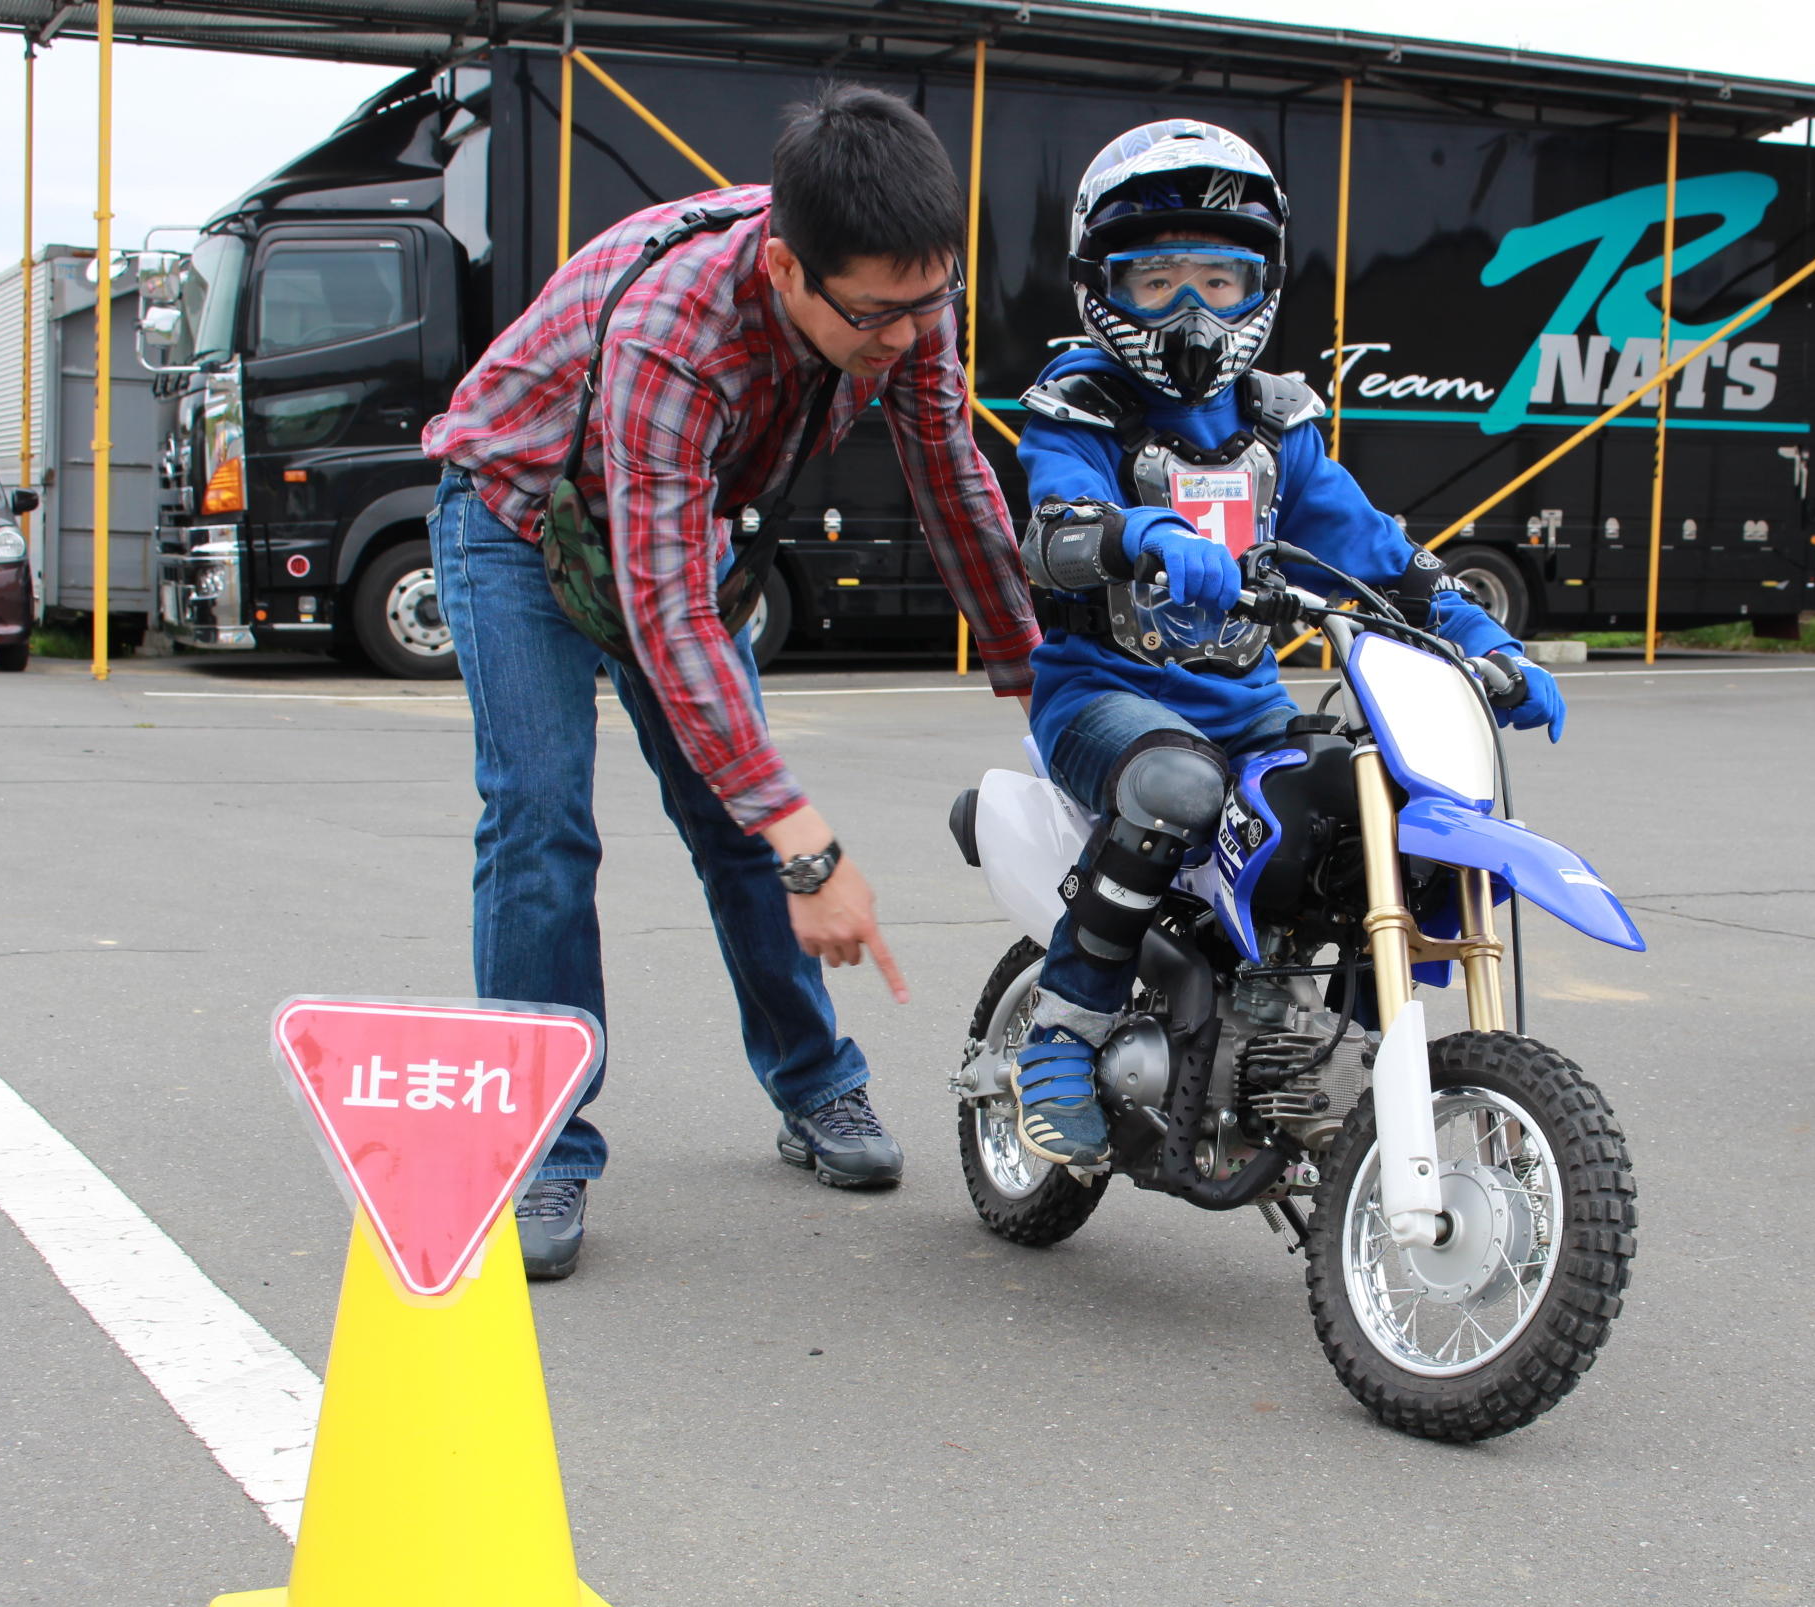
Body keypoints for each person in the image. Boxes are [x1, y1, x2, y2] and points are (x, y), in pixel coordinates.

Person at [421, 85, 1038, 1277]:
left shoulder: (902, 294)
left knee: (735, 819)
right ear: (788, 267)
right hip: (514, 513)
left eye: (929, 305)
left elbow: (951, 481)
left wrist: (1031, 676)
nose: (907, 337)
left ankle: (818, 1090)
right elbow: (665, 614)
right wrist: (811, 846)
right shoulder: (676, 330)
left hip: (669, 521)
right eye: (877, 316)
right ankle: (542, 1149)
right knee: (543, 822)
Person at [1003, 119, 1566, 1167]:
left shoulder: (1277, 422)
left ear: (1259, 284)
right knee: (1176, 785)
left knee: (1376, 805)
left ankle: (1342, 1045)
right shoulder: (1081, 403)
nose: (1187, 307)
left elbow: (1377, 556)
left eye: (1219, 280)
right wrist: (1137, 531)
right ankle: (1064, 1031)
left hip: (1249, 708)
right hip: (1103, 695)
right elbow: (1057, 523)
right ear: (1100, 285)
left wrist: (1485, 635)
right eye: (1154, 276)